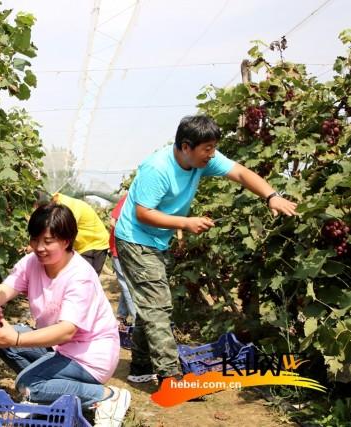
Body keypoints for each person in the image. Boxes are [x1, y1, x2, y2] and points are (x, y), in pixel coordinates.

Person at [114, 114, 297, 385]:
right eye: (207, 149)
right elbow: (143, 213)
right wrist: (185, 222)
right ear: (186, 147)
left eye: (214, 148)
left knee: (151, 305)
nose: (212, 155)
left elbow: (240, 172)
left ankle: (141, 367)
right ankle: (170, 377)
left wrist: (272, 196)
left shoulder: (203, 159)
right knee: (158, 305)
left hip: (158, 239)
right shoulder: (158, 168)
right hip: (136, 238)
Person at [0, 202, 131, 426]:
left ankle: (106, 396)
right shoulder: (32, 263)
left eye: (48, 241)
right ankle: (48, 394)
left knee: (28, 384)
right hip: (59, 350)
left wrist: (17, 339)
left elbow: (66, 331)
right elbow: (5, 289)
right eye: (35, 239)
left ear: (66, 240)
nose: (39, 247)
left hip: (89, 357)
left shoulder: (80, 275)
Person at [35, 191, 110, 275]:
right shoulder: (55, 201)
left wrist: (34, 245)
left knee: (84, 278)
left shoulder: (66, 208)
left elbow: (60, 232)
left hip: (94, 243)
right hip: (82, 245)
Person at [109, 194, 137, 327]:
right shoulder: (130, 196)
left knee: (127, 284)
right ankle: (138, 321)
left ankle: (121, 316)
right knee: (128, 285)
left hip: (130, 249)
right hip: (121, 249)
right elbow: (113, 221)